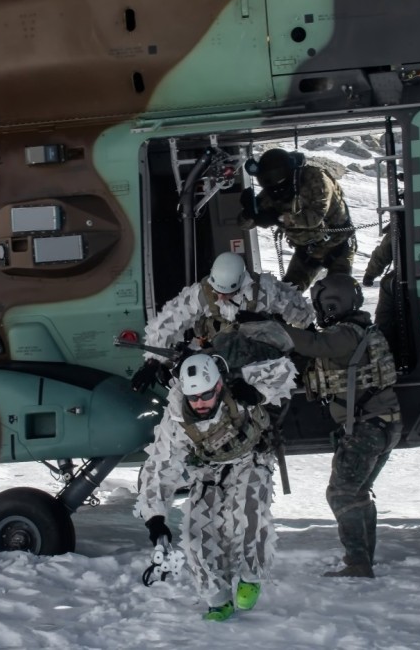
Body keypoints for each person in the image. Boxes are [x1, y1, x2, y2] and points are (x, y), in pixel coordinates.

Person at [246, 274, 401, 578]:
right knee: (356, 491)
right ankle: (363, 558)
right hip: (381, 425)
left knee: (341, 494)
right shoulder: (358, 330)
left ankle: (358, 563)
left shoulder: (344, 336)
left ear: (331, 304)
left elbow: (314, 344)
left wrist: (267, 327)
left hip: (368, 427)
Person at [133, 352, 297, 621]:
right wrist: (156, 520)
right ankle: (217, 599)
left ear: (218, 386)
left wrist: (256, 392)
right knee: (196, 533)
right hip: (209, 471)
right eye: (193, 397)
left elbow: (284, 369)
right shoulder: (176, 419)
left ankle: (250, 576)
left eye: (206, 395)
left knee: (248, 513)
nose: (199, 403)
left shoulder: (236, 387)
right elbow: (160, 468)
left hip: (250, 460)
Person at [131, 251, 314, 392]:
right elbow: (169, 321)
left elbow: (300, 311)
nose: (219, 296)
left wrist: (306, 338)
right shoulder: (202, 294)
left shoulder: (266, 291)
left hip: (258, 358)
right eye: (217, 290)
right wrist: (153, 362)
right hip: (217, 357)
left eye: (226, 293)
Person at [238, 148, 355, 290]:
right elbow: (244, 224)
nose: (277, 191)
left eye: (279, 184)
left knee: (340, 292)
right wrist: (251, 213)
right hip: (308, 251)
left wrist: (278, 218)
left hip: (338, 245)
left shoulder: (315, 179)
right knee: (288, 295)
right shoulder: (272, 192)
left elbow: (315, 218)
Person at [361, 222, 399, 356]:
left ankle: (385, 348)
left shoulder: (408, 215)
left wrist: (370, 274)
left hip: (411, 273)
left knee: (388, 285)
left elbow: (384, 250)